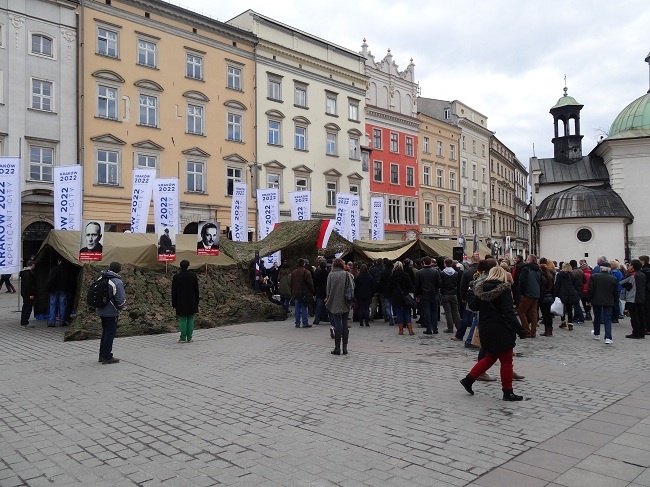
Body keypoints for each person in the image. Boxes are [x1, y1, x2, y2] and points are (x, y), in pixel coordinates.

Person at [460, 265, 528, 401]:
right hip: (501, 328)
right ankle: (507, 392)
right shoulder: (504, 290)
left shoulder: (481, 288)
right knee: (507, 360)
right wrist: (520, 330)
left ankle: (469, 379)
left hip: (485, 327)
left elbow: (473, 306)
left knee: (491, 357)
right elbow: (508, 313)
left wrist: (469, 291)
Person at [96, 262, 126, 364]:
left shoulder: (101, 278)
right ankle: (107, 356)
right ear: (119, 269)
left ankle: (102, 354)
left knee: (105, 332)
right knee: (110, 333)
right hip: (111, 311)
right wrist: (120, 308)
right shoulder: (117, 281)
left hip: (101, 309)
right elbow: (120, 299)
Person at [326, 258, 354, 355]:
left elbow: (328, 290)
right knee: (345, 324)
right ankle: (345, 348)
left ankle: (337, 348)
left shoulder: (331, 274)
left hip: (334, 302)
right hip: (345, 301)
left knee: (338, 324)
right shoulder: (346, 274)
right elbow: (351, 287)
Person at [587, 261, 619, 344]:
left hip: (596, 300)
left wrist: (588, 299)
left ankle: (597, 334)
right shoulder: (613, 278)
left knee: (597, 317)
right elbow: (615, 292)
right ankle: (608, 337)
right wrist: (615, 302)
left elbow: (591, 290)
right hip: (609, 300)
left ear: (601, 268)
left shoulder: (594, 276)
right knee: (607, 319)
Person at [171, 260, 200, 343]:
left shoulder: (176, 277)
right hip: (192, 300)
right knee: (191, 318)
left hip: (181, 301)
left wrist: (174, 303)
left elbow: (174, 291)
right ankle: (190, 337)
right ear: (188, 266)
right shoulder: (193, 276)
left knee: (183, 319)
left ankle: (183, 337)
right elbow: (196, 290)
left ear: (180, 266)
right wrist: (197, 301)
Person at [415, 256, 442, 335]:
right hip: (434, 293)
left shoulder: (419, 272)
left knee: (426, 311)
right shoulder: (435, 271)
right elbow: (439, 283)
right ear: (430, 262)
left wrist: (417, 296)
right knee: (434, 311)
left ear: (423, 263)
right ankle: (435, 328)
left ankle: (428, 328)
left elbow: (417, 285)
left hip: (424, 294)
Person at [620, 259, 647, 339]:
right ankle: (642, 332)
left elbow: (622, 283)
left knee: (634, 317)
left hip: (633, 298)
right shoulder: (642, 274)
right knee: (641, 316)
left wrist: (627, 272)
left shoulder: (631, 275)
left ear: (633, 266)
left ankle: (636, 333)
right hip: (641, 297)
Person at [388, 261, 415, 336]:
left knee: (398, 312)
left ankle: (401, 330)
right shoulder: (406, 275)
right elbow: (410, 286)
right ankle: (410, 330)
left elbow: (389, 287)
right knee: (407, 312)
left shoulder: (392, 276)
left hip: (396, 296)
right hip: (405, 295)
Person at [518, 255, 541, 337]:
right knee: (534, 312)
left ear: (529, 260)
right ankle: (533, 331)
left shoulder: (526, 269)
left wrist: (522, 292)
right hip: (536, 292)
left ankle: (526, 330)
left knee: (521, 311)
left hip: (528, 293)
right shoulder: (538, 269)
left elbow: (522, 281)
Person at [555, 262, 581, 331]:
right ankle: (570, 323)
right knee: (569, 308)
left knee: (562, 308)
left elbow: (557, 284)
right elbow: (575, 285)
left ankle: (563, 321)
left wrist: (555, 294)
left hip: (562, 293)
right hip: (571, 293)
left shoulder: (560, 274)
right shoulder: (572, 274)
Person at [291, 258, 314, 328]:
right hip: (304, 292)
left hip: (296, 292)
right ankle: (305, 322)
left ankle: (297, 323)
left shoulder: (294, 272)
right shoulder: (306, 272)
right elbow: (310, 283)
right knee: (304, 307)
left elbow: (291, 282)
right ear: (304, 264)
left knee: (297, 308)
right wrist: (312, 290)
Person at [440, 258, 461, 334]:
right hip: (453, 293)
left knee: (448, 312)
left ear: (445, 263)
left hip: (445, 294)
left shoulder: (442, 273)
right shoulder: (455, 273)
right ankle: (459, 327)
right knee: (455, 311)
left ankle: (450, 328)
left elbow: (441, 284)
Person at [46, 257, 68, 327]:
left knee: (52, 306)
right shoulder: (66, 270)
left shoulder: (54, 269)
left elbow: (50, 279)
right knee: (62, 306)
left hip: (54, 289)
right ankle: (62, 322)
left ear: (59, 261)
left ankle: (52, 322)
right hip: (63, 289)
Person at [538, 258, 556, 336]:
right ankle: (550, 329)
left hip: (543, 297)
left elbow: (541, 288)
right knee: (548, 314)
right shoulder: (551, 275)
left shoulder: (541, 276)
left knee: (545, 315)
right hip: (550, 296)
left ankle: (547, 330)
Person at [20, 261, 37, 327]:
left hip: (24, 293)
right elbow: (29, 285)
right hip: (28, 294)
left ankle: (24, 321)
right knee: (27, 308)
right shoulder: (28, 274)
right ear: (32, 265)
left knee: (25, 307)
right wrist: (31, 294)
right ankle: (24, 322)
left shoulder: (24, 273)